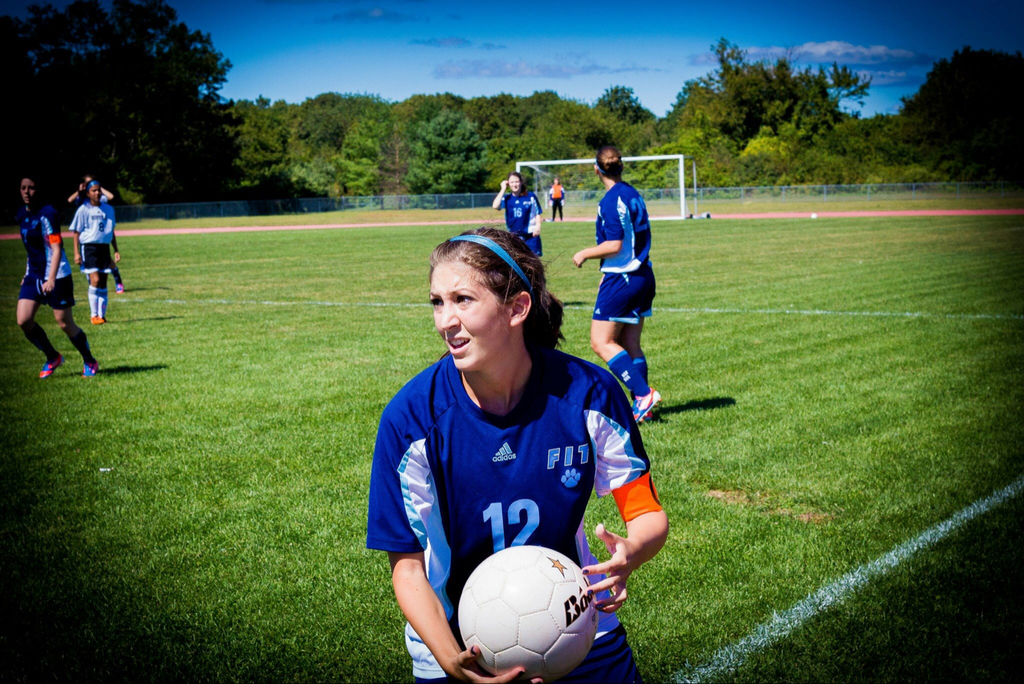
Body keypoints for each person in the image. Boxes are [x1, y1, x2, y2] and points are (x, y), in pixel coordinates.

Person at [367, 227, 669, 683]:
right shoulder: (410, 420)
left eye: (463, 300)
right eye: (437, 302)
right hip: (454, 643)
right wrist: (451, 661)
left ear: (517, 308)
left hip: (577, 624)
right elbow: (407, 569)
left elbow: (646, 513)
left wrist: (632, 551)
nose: (445, 320)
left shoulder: (589, 393)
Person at [572, 146, 660, 424]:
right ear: (621, 167)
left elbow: (615, 244)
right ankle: (643, 408)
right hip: (643, 275)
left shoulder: (610, 201)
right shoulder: (633, 193)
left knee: (601, 342)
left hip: (623, 277)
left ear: (596, 170)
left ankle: (643, 395)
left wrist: (584, 253)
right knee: (630, 343)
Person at [16, 176, 99, 378]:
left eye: (31, 188)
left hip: (57, 274)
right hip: (34, 274)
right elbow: (31, 249)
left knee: (64, 323)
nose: (26, 192)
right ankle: (52, 356)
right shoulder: (21, 214)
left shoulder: (48, 213)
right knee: (23, 320)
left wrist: (51, 278)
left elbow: (55, 247)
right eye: (23, 188)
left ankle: (89, 360)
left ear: (38, 190)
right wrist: (27, 273)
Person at [69, 180, 120, 324]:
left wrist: (116, 250)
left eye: (98, 190)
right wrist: (76, 253)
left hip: (104, 248)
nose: (97, 193)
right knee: (95, 280)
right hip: (89, 248)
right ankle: (93, 315)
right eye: (93, 190)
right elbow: (76, 232)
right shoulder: (83, 209)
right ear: (87, 193)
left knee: (103, 283)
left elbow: (111, 231)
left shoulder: (108, 209)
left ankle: (101, 316)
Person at [491, 171, 543, 256]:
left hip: (531, 236)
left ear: (521, 182)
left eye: (516, 182)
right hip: (514, 237)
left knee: (534, 261)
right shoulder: (507, 198)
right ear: (508, 183)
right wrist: (503, 189)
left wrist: (538, 226)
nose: (514, 184)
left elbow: (538, 212)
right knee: (517, 262)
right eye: (512, 182)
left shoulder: (530, 196)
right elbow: (495, 206)